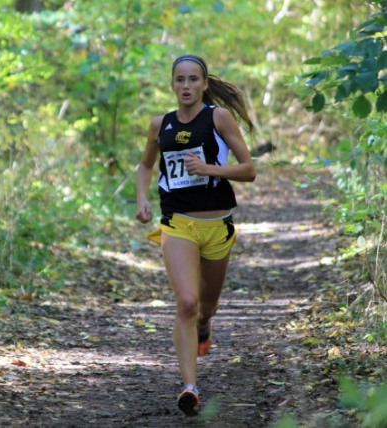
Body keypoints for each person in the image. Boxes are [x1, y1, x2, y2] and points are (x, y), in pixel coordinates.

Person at [135, 54, 256, 416]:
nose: (185, 86)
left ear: (204, 84)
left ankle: (205, 325)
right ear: (172, 85)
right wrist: (142, 199)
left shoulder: (218, 117)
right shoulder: (160, 125)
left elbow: (249, 170)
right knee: (186, 302)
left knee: (207, 306)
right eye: (179, 80)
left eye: (192, 80)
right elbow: (145, 165)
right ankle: (189, 386)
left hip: (217, 226)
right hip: (178, 224)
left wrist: (209, 168)